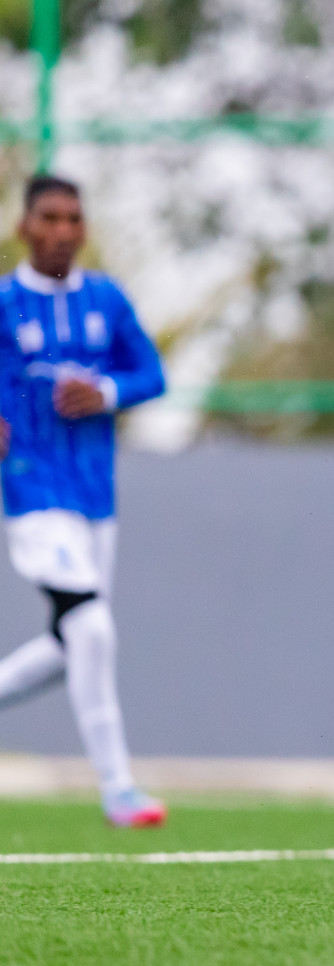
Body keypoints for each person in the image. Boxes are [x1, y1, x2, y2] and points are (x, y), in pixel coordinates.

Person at [0, 174, 167, 828]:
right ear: (25, 227)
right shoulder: (6, 302)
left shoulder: (106, 300)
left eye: (73, 219)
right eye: (50, 218)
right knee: (92, 626)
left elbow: (152, 374)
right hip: (32, 489)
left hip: (96, 493)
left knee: (73, 640)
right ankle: (119, 788)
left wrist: (106, 391)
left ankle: (118, 787)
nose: (62, 230)